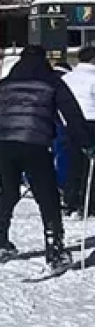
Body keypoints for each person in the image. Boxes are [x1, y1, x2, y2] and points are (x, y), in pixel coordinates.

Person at [0, 45, 94, 271]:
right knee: (47, 196)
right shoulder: (52, 82)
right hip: (36, 143)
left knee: (8, 191)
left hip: (4, 143)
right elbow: (71, 115)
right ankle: (54, 249)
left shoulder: (4, 85)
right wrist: (87, 143)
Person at [62, 46, 95, 216]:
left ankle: (70, 200)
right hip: (91, 122)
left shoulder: (68, 77)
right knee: (91, 166)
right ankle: (89, 202)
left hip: (71, 123)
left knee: (73, 163)